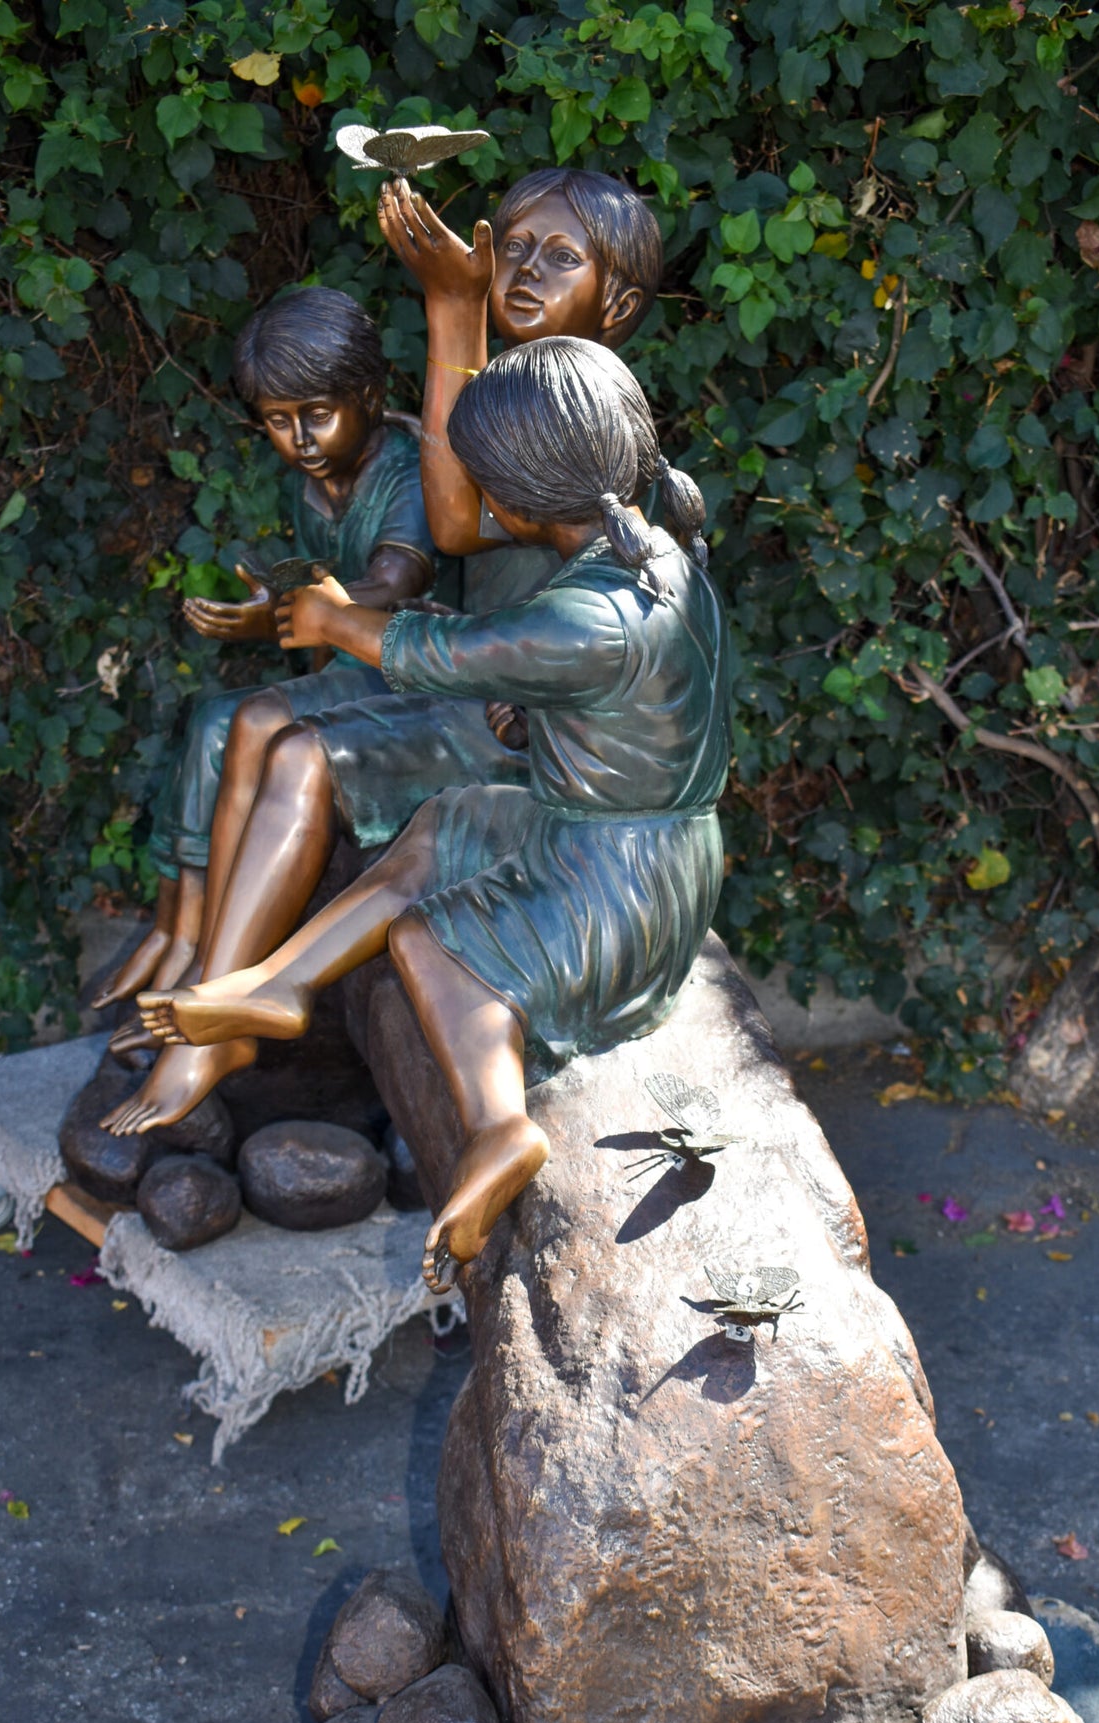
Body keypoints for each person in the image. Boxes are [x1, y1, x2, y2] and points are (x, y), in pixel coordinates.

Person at [125, 339, 731, 1295]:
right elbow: (648, 695)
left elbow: (445, 653)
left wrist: (333, 622)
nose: (475, 505)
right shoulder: (655, 555)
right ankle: (278, 984)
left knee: (429, 940)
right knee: (441, 825)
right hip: (609, 825)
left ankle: (498, 1127)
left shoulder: (589, 617)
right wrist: (533, 710)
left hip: (620, 879)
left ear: (525, 500)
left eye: (484, 485)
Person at [101, 170, 665, 1119]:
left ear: (617, 299)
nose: (522, 272)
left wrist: (452, 307)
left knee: (304, 752)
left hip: (522, 718)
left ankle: (225, 1015)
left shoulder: (590, 411)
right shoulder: (520, 390)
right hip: (465, 669)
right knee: (267, 727)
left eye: (558, 258)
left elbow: (461, 527)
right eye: (513, 249)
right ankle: (219, 990)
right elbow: (457, 521)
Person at [91, 287, 437, 1009]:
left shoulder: (404, 470)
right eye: (278, 422)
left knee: (246, 723)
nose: (300, 441)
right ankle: (180, 929)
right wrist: (281, 614)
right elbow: (317, 607)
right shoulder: (311, 487)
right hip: (350, 666)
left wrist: (289, 612)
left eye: (317, 415)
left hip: (409, 673)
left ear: (369, 395)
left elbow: (392, 582)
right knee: (214, 720)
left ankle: (215, 961)